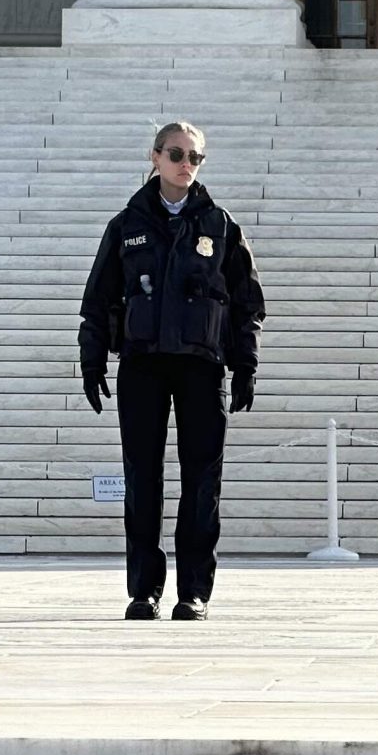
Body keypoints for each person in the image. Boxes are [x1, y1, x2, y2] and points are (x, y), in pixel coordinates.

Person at [76, 120, 264, 621]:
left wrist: (245, 364)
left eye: (195, 158)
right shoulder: (126, 225)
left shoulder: (220, 225)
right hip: (142, 366)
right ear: (155, 157)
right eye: (177, 154)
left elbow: (248, 303)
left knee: (203, 482)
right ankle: (144, 591)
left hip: (202, 368)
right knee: (143, 481)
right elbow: (98, 300)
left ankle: (194, 592)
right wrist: (92, 360)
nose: (186, 165)